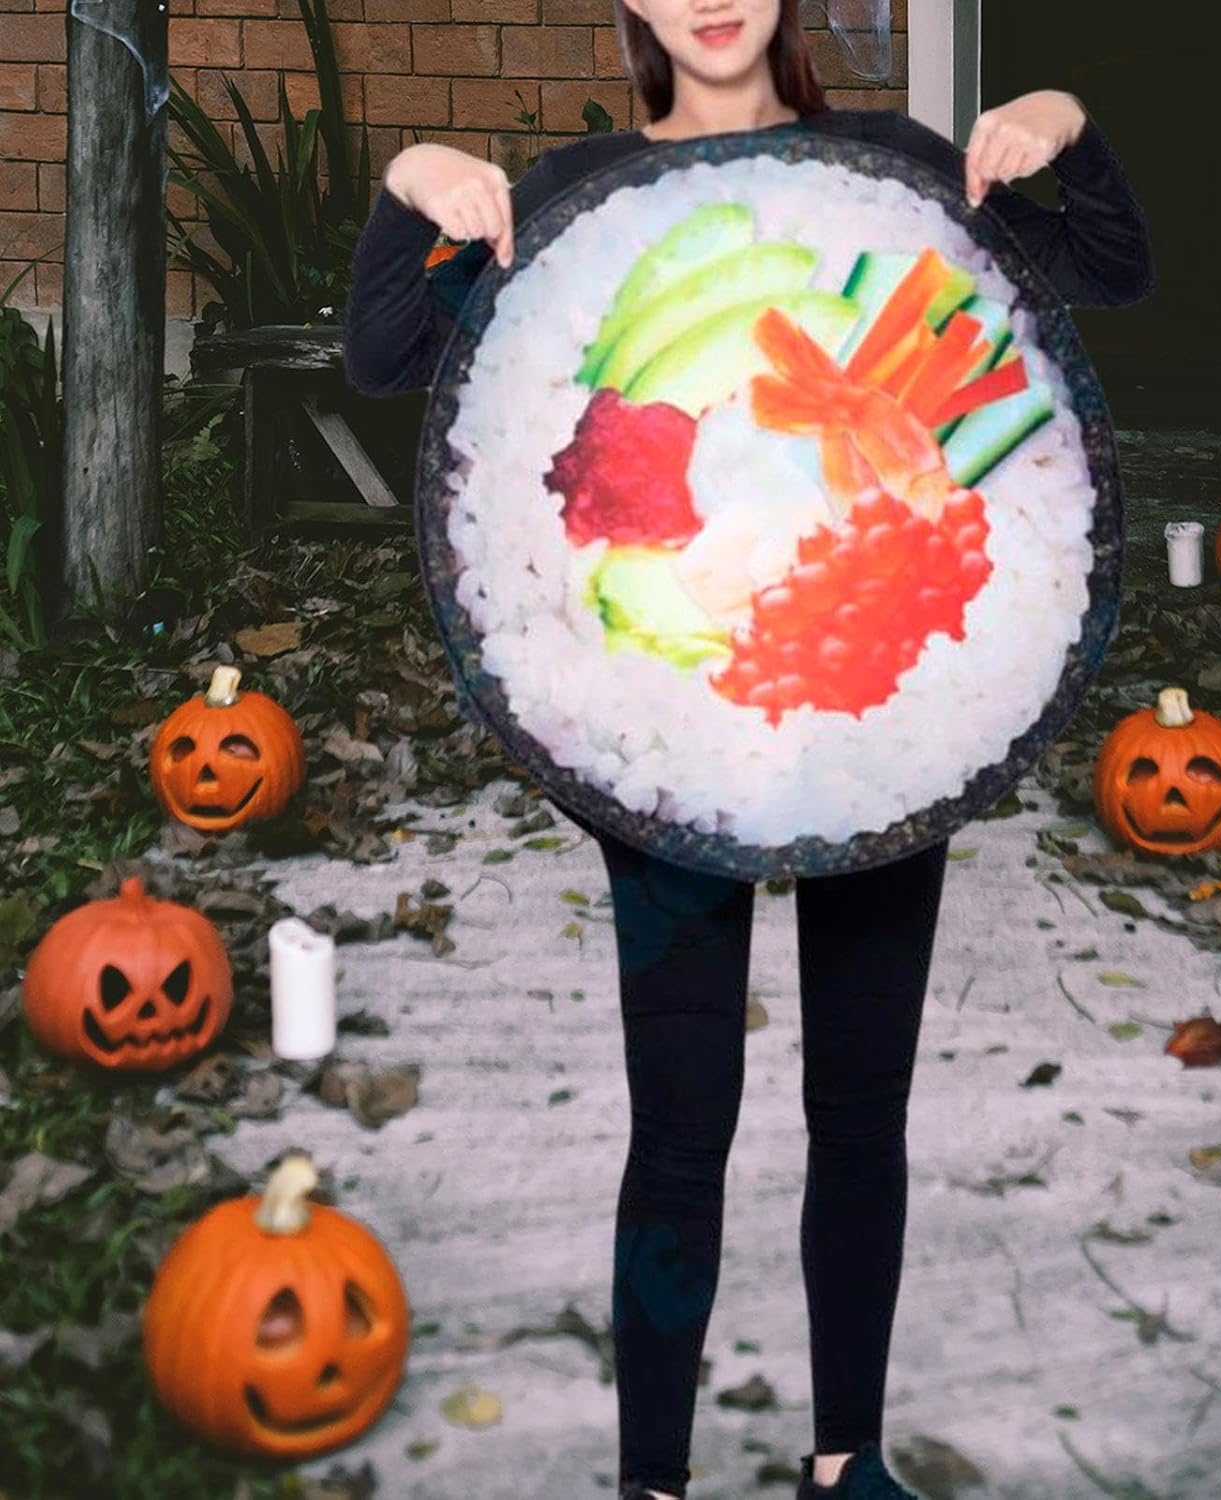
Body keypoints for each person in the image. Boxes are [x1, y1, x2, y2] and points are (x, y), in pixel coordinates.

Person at [344, 5, 1153, 1497]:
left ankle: (848, 1465)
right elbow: (387, 354)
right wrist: (412, 183)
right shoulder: (573, 194)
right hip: (667, 734)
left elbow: (1109, 271)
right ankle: (653, 1481)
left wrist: (1064, 123)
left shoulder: (900, 166)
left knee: (860, 1112)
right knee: (679, 1126)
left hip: (882, 722)